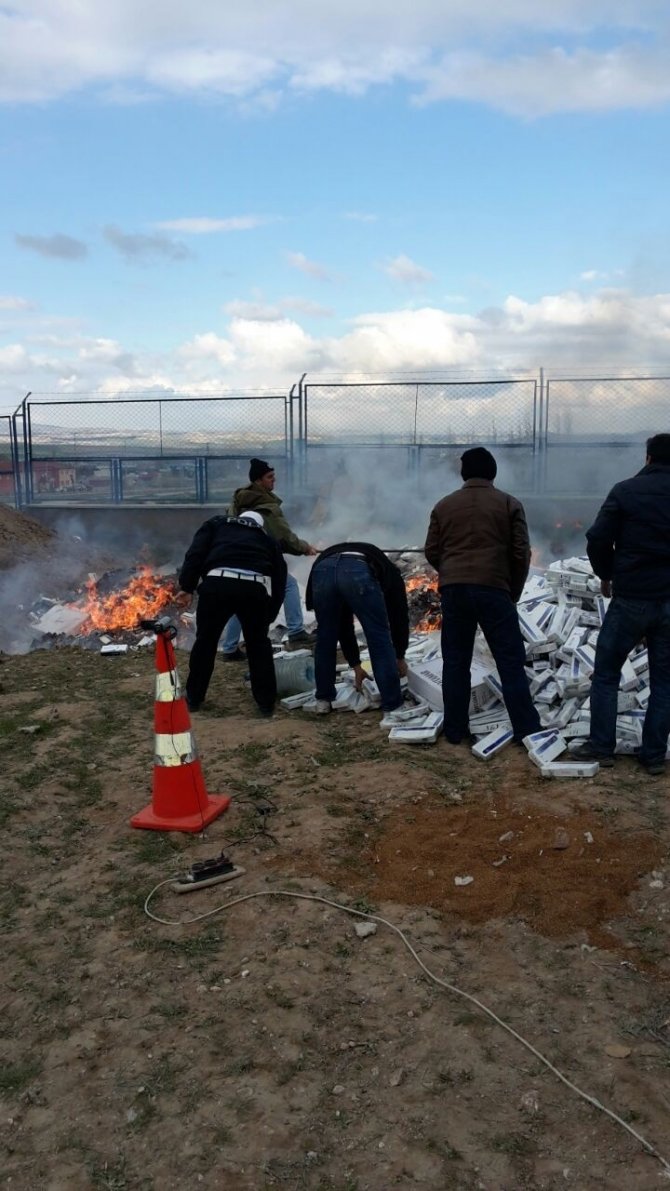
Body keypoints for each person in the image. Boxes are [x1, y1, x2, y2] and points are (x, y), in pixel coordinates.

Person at [424, 446, 541, 745]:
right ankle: (526, 729)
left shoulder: (443, 506)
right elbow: (520, 554)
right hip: (494, 589)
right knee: (509, 661)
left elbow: (432, 552)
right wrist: (511, 590)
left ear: (463, 473)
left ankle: (455, 730)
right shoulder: (509, 504)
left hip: (455, 591)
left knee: (455, 661)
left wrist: (451, 574)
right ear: (493, 472)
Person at [573, 434, 670, 776]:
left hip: (631, 598)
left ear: (647, 458)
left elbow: (598, 537)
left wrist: (606, 573)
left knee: (606, 672)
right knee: (664, 681)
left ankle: (602, 747)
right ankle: (654, 756)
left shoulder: (625, 490)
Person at [177, 510, 287, 716]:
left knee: (206, 642)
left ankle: (194, 698)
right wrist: (269, 613)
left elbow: (195, 553)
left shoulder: (217, 523)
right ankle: (265, 703)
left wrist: (187, 586)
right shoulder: (266, 537)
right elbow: (280, 577)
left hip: (217, 584)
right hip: (253, 589)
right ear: (259, 525)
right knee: (258, 645)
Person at [220, 458, 318, 659]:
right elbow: (283, 536)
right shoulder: (266, 506)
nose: (274, 480)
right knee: (288, 585)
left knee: (240, 599)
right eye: (269, 477)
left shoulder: (237, 502)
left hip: (235, 558)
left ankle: (229, 648)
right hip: (259, 559)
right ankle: (296, 631)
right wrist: (305, 548)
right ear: (258, 481)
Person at [305, 542, 409, 717]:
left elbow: (344, 625)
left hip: (322, 570)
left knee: (326, 637)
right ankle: (392, 705)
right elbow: (398, 616)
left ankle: (323, 700)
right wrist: (399, 655)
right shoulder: (392, 575)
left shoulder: (375, 562)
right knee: (378, 635)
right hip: (357, 569)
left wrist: (356, 665)